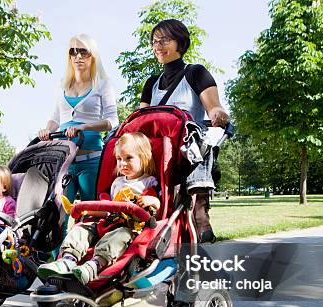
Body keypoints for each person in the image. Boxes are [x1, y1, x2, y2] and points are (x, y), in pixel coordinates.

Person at [139, 19, 230, 243]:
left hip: (187, 148)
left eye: (164, 40)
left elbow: (214, 107)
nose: (157, 45)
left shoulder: (196, 73)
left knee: (201, 139)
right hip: (156, 151)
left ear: (180, 42)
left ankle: (200, 210)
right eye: (154, 41)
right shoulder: (151, 83)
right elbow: (139, 121)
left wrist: (219, 115)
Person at [38, 132, 160, 284]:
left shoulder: (148, 182)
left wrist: (151, 200)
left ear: (144, 158)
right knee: (80, 229)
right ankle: (68, 259)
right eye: (119, 159)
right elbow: (108, 208)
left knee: (116, 238)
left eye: (129, 158)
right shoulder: (117, 183)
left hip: (129, 227)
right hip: (107, 221)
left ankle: (94, 266)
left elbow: (158, 204)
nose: (123, 164)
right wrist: (85, 209)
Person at [38, 34, 119, 207]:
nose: (78, 56)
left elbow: (113, 121)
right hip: (64, 159)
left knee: (91, 211)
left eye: (83, 51)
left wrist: (85, 126)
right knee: (59, 214)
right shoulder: (62, 85)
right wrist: (47, 130)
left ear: (93, 55)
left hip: (90, 158)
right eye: (73, 52)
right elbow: (55, 117)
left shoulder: (103, 84)